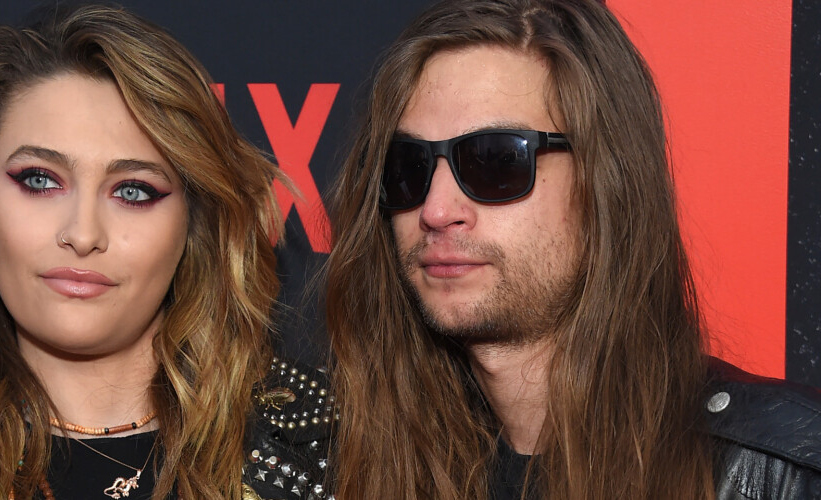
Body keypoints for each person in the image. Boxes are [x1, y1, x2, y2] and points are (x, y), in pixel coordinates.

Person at [0, 5, 329, 500]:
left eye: (133, 190)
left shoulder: (335, 443)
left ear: (195, 224)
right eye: (39, 181)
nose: (83, 235)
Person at [324, 0, 821, 498]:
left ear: (605, 182)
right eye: (408, 166)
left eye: (495, 161)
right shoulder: (358, 460)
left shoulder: (783, 473)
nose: (435, 210)